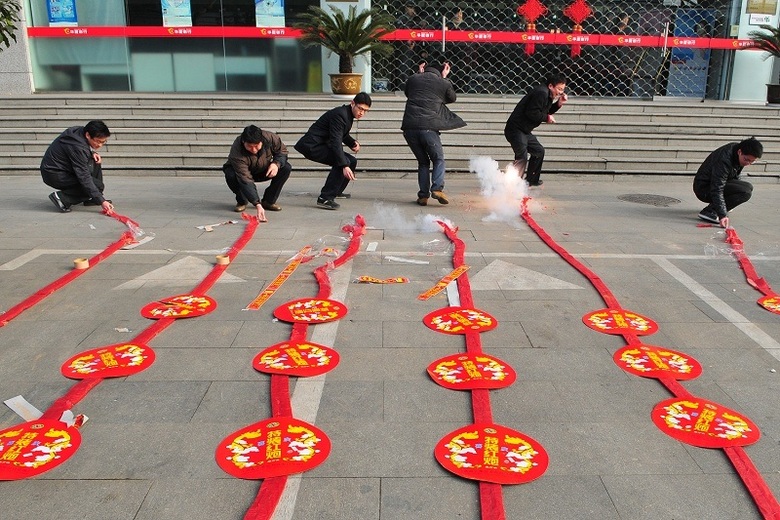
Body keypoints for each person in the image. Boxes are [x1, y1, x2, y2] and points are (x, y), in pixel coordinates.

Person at [401, 61, 466, 206]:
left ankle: (423, 196)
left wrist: (419, 74)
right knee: (438, 159)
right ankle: (436, 188)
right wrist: (444, 78)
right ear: (442, 70)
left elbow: (408, 93)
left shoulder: (413, 79)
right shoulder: (443, 83)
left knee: (423, 162)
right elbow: (452, 98)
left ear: (424, 69)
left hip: (409, 128)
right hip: (428, 128)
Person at [294, 92, 372, 210]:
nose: (362, 113)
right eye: (360, 109)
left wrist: (352, 143)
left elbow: (342, 134)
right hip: (312, 146)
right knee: (342, 161)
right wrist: (344, 165)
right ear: (352, 103)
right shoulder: (340, 115)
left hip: (322, 144)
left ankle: (336, 191)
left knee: (352, 161)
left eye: (366, 111)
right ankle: (325, 198)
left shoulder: (347, 114)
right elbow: (336, 141)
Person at [504, 72, 568, 187]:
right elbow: (532, 113)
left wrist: (558, 104)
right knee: (522, 155)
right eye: (559, 89)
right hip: (515, 129)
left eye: (562, 89)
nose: (560, 92)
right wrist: (547, 118)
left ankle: (531, 180)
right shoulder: (541, 93)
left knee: (538, 151)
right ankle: (513, 184)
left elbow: (544, 111)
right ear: (550, 86)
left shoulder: (547, 94)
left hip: (524, 130)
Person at [40, 120, 114, 215]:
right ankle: (62, 198)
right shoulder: (78, 147)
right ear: (88, 135)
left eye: (103, 142)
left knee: (95, 161)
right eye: (98, 141)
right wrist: (102, 201)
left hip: (59, 169)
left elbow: (77, 151)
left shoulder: (79, 132)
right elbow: (83, 176)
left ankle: (93, 197)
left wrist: (92, 153)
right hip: (55, 174)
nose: (100, 145)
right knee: (97, 186)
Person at [222, 124, 291, 222]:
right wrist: (257, 204)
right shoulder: (237, 150)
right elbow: (245, 178)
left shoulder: (271, 138)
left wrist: (276, 164)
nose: (254, 150)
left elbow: (282, 152)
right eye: (249, 147)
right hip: (241, 173)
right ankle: (242, 201)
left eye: (256, 146)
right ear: (243, 142)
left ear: (261, 141)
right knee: (230, 174)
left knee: (286, 168)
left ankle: (268, 201)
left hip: (263, 169)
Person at [693, 137, 763, 228]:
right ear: (740, 152)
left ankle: (718, 207)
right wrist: (722, 214)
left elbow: (734, 177)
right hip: (704, 188)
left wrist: (730, 201)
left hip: (715, 184)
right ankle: (710, 212)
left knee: (748, 187)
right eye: (746, 160)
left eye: (752, 161)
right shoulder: (724, 159)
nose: (748, 163)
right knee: (745, 192)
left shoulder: (737, 151)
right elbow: (717, 187)